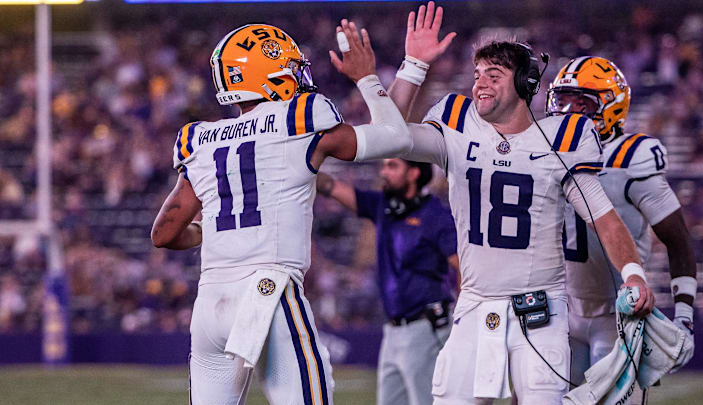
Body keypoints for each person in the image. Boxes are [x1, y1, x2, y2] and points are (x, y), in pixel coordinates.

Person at [385, 2, 656, 404]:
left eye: (494, 76)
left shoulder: (562, 139)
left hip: (540, 310)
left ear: (526, 83)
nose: (480, 84)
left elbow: (603, 216)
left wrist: (633, 273)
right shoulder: (456, 122)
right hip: (475, 304)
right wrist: (413, 65)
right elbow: (389, 133)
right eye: (477, 75)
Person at [151, 21, 412, 405]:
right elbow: (397, 137)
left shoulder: (200, 139)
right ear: (268, 74)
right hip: (269, 291)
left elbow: (164, 233)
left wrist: (210, 228)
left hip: (210, 305)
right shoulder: (300, 117)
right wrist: (367, 77)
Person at [547, 57, 697, 398]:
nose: (567, 111)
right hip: (560, 312)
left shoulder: (632, 158)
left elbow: (678, 241)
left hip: (617, 316)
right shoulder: (545, 151)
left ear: (611, 106)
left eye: (581, 102)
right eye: (562, 99)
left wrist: (685, 315)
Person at [316, 158, 458, 405]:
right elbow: (330, 186)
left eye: (392, 166)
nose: (383, 172)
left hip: (426, 327)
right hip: (392, 330)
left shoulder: (436, 215)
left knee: (427, 401)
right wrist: (301, 166)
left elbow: (463, 267)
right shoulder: (384, 206)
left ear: (414, 173)